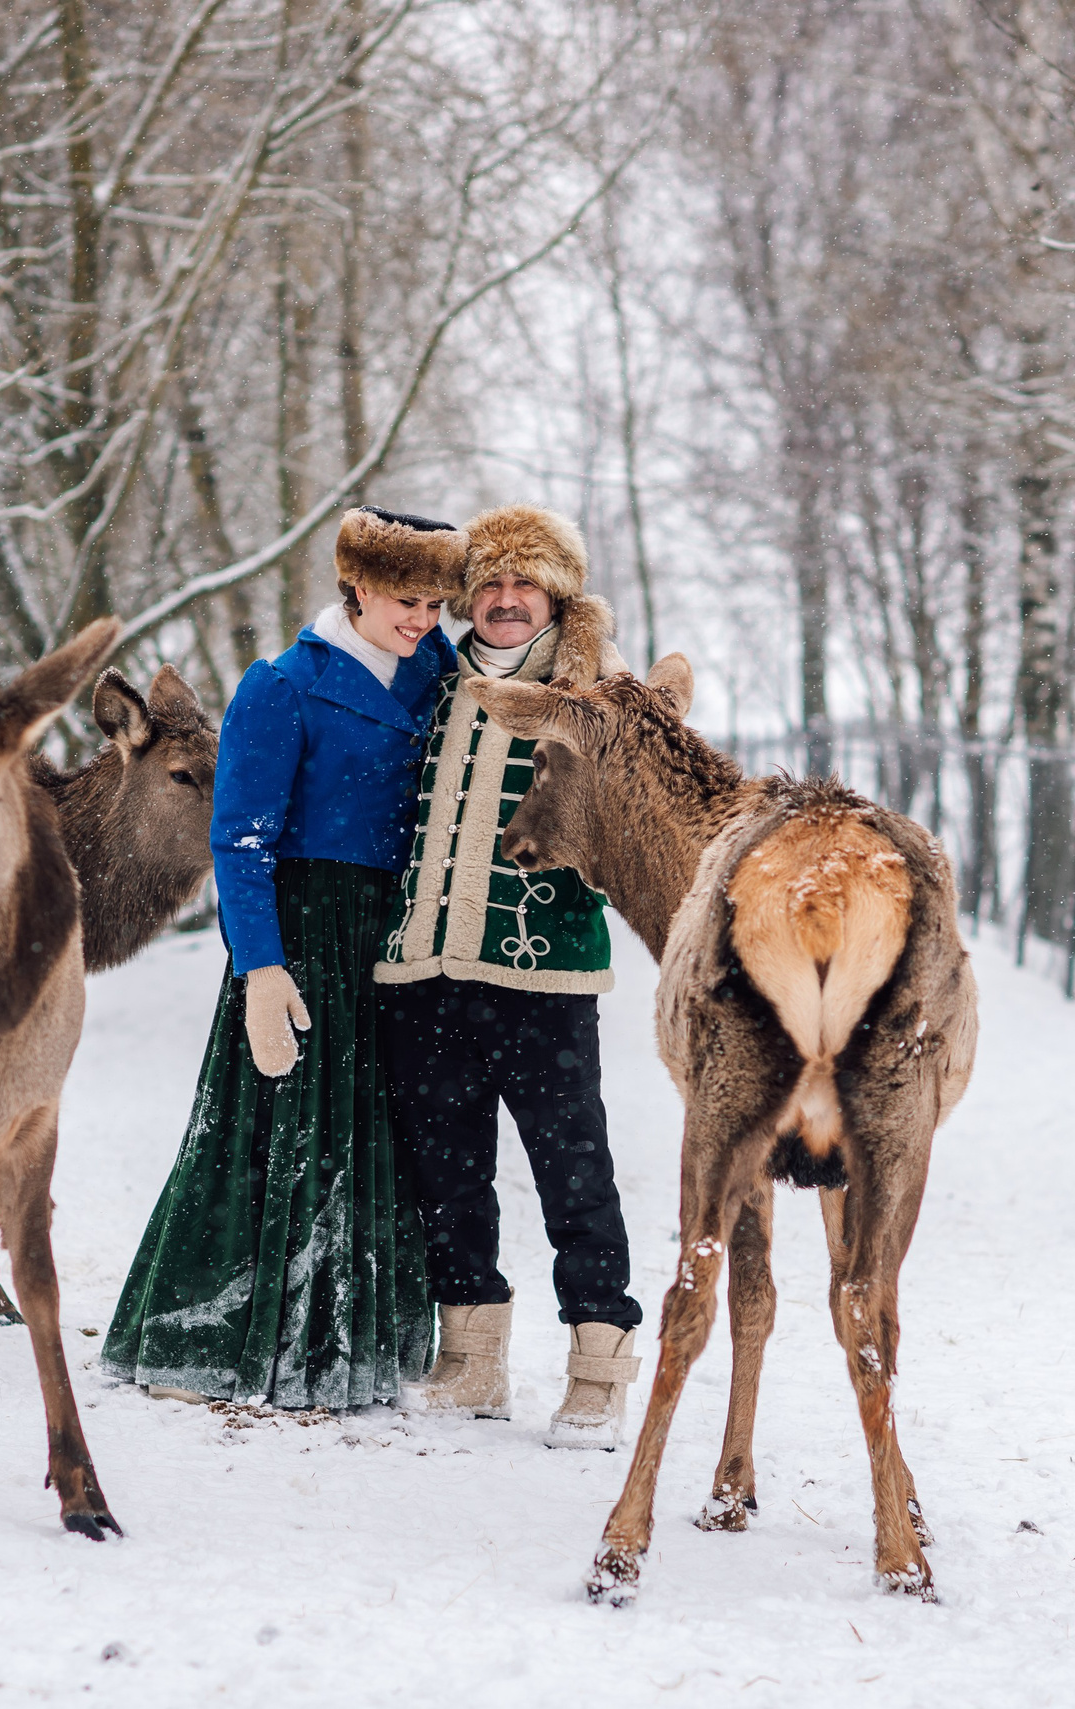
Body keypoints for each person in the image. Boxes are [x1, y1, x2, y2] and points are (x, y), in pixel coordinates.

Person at [103, 507, 464, 1410]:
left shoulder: (446, 678)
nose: (423, 618)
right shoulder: (282, 686)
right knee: (266, 1134)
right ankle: (210, 1332)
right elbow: (241, 840)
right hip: (303, 935)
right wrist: (260, 967)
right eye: (405, 600)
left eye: (435, 601)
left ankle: (357, 1340)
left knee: (376, 1136)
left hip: (398, 936)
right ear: (358, 589)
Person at [374, 505, 644, 1449]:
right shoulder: (433, 683)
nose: (503, 599)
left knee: (575, 1173)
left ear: (555, 595)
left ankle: (599, 1370)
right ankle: (474, 1361)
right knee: (449, 1172)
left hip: (544, 975)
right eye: (488, 583)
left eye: (523, 584)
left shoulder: (598, 689)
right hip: (427, 964)